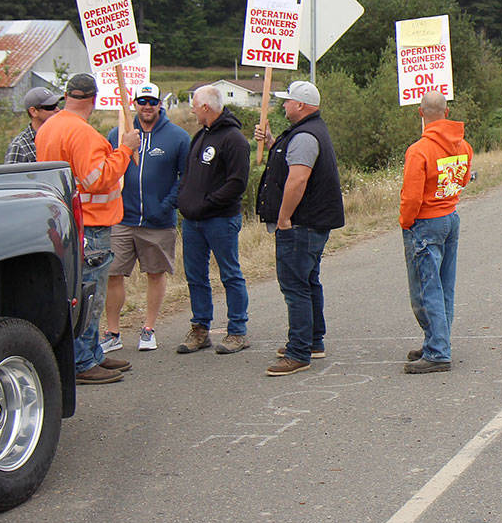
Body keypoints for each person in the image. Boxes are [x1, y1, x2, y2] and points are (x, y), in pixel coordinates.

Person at [35, 73, 140, 385]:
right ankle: (83, 361)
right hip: (90, 224)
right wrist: (124, 150)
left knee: (83, 294)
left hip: (64, 220)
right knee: (89, 296)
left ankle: (92, 353)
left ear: (67, 95)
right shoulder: (83, 134)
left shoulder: (49, 127)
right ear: (93, 100)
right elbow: (97, 179)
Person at [254, 80, 345, 377]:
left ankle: (298, 351)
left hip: (302, 223)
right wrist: (271, 142)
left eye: (288, 101)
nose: (283, 105)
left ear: (302, 105)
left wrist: (283, 218)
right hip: (312, 221)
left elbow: (297, 180)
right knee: (308, 281)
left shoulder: (305, 136)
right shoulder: (307, 131)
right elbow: (290, 162)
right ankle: (312, 340)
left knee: (295, 287)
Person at [101, 83, 190, 353]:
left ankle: (149, 328)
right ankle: (113, 332)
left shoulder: (177, 137)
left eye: (152, 101)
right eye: (142, 101)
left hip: (157, 222)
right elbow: (107, 169)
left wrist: (166, 206)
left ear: (160, 104)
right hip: (122, 219)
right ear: (135, 104)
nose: (147, 106)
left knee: (155, 273)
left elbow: (185, 177)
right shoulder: (118, 134)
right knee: (113, 273)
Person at [398, 91, 472, 374]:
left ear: (421, 113)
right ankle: (436, 341)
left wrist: (406, 222)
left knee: (425, 289)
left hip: (426, 222)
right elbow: (462, 179)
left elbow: (412, 196)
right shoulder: (463, 146)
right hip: (450, 216)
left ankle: (438, 351)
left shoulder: (419, 150)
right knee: (444, 285)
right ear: (447, 112)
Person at [176, 85, 252, 355]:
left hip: (220, 219)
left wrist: (206, 204)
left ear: (206, 107)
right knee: (195, 276)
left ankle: (237, 331)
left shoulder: (234, 140)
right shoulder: (200, 136)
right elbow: (188, 174)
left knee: (230, 274)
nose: (192, 110)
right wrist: (183, 199)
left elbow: (236, 183)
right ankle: (200, 328)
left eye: (195, 105)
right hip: (192, 221)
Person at [5, 86, 62, 163]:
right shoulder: (19, 146)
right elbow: (12, 174)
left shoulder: (62, 137)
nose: (57, 110)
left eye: (57, 105)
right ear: (33, 111)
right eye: (51, 107)